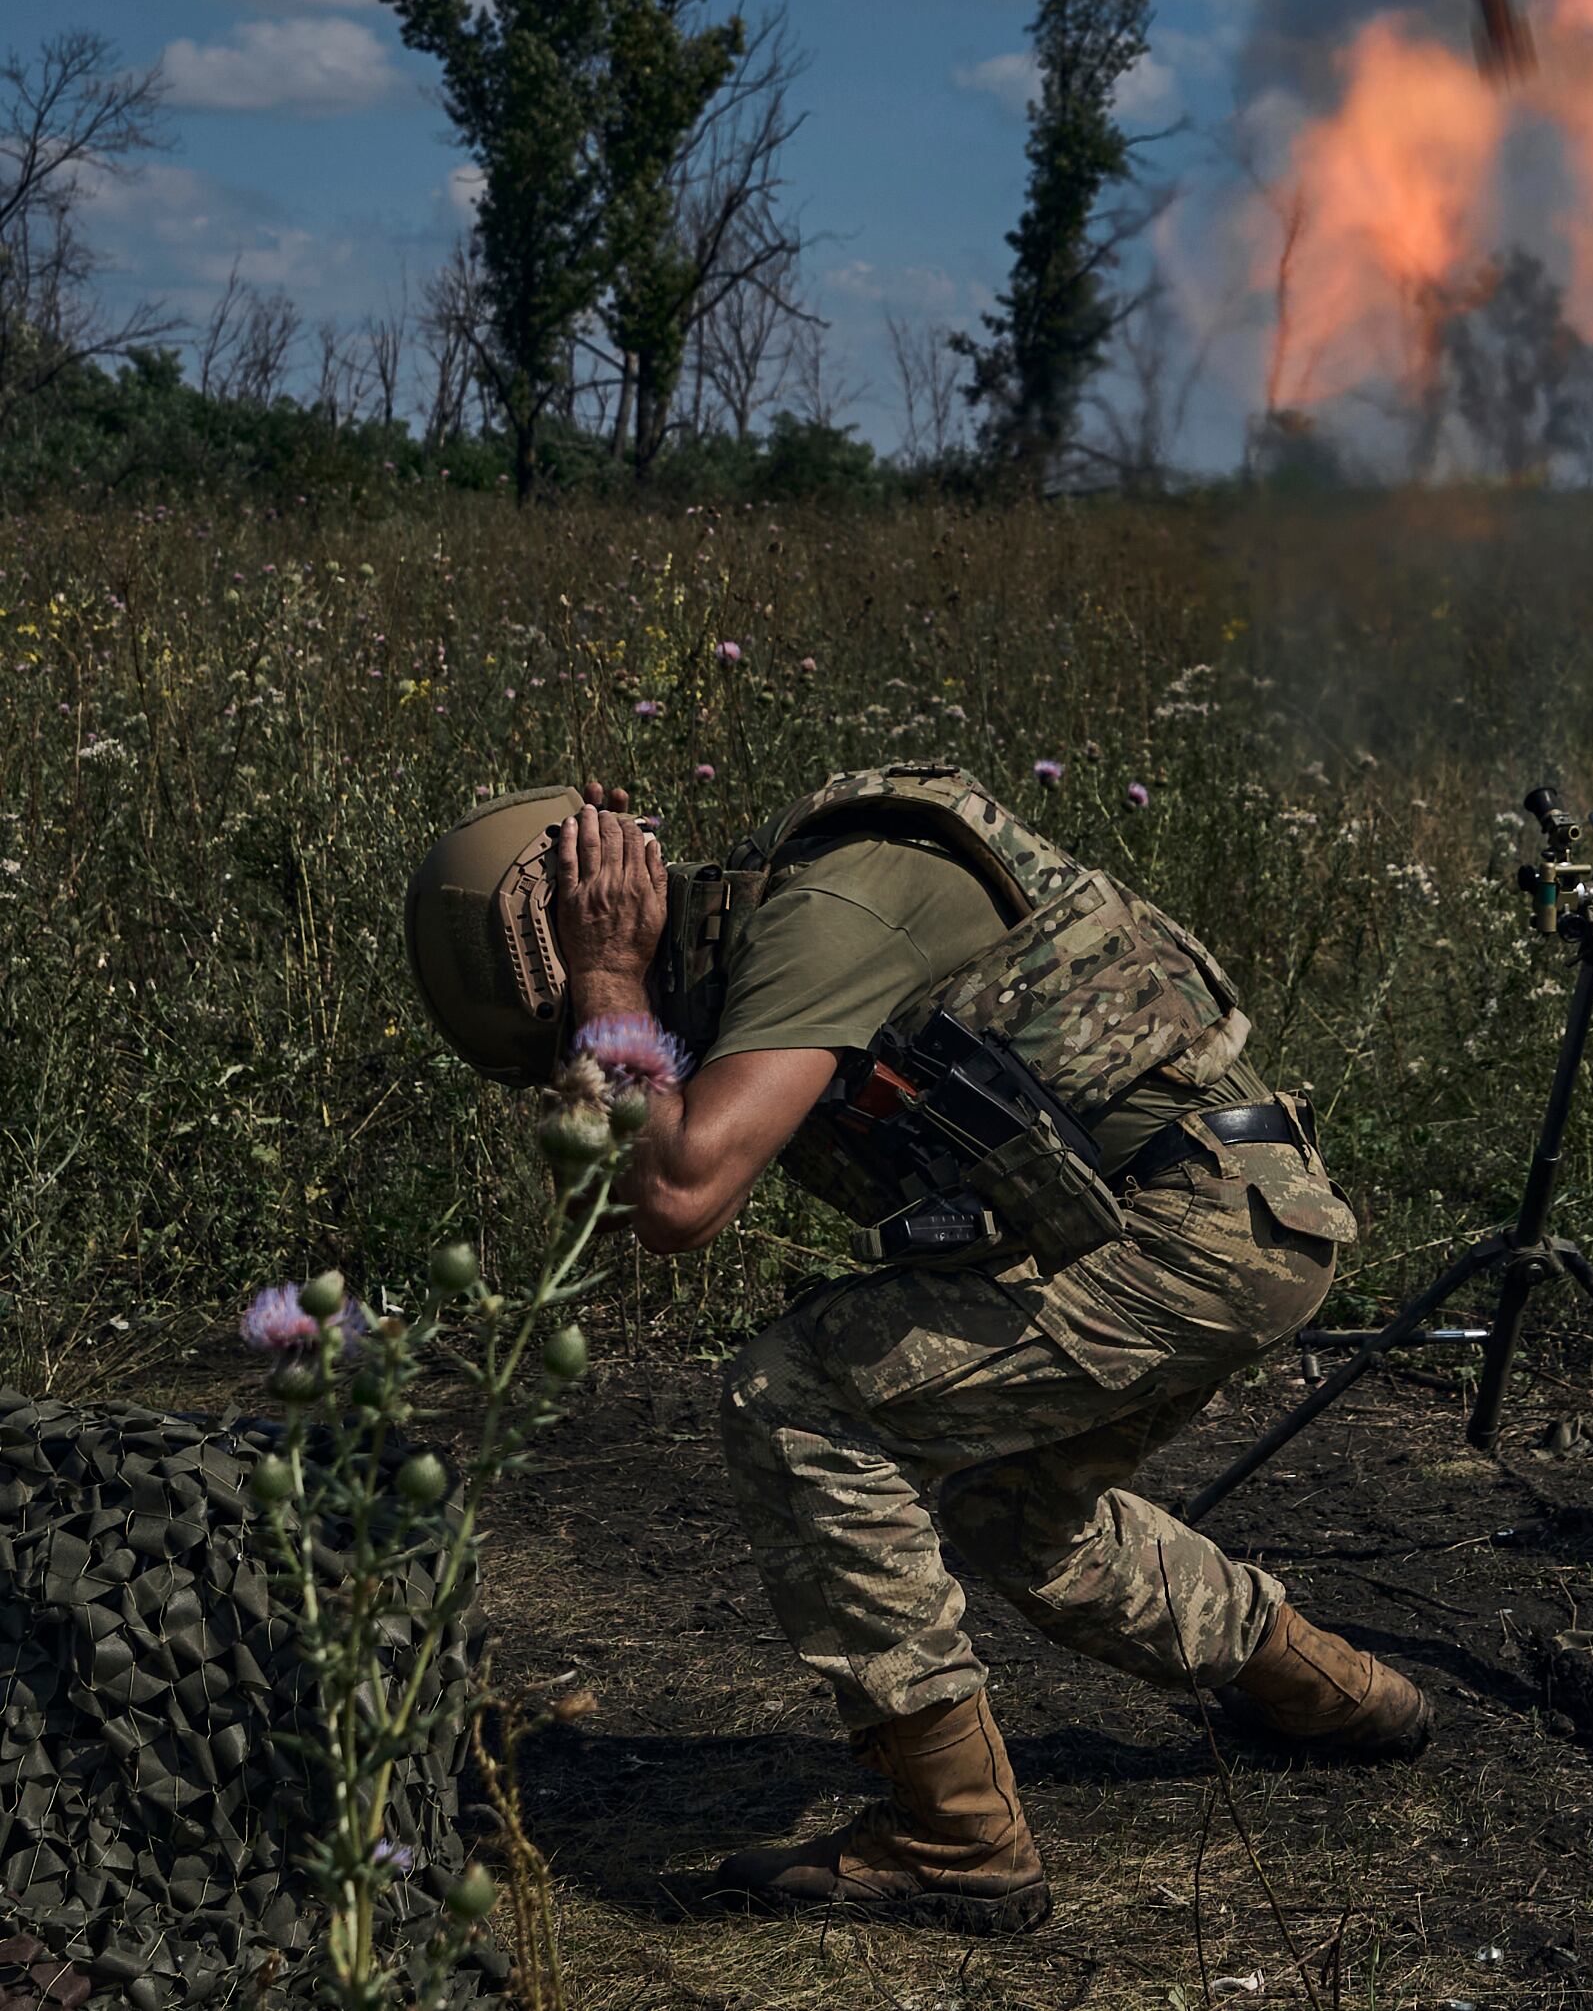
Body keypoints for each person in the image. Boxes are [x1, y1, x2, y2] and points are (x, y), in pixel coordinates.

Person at [406, 762, 1429, 1936]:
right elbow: (626, 1189)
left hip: (1195, 1222)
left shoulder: (819, 910)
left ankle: (954, 1834)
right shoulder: (763, 951)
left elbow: (680, 1195)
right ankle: (1341, 1696)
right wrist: (608, 1013)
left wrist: (600, 974)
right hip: (1204, 1226)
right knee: (1016, 1517)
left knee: (794, 1390)